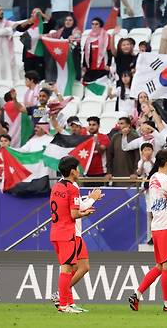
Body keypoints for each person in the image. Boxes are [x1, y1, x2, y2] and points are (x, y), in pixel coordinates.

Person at [129, 151, 167, 313]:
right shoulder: (164, 179)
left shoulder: (156, 177)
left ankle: (137, 294)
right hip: (166, 227)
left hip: (157, 227)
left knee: (160, 266)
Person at [50, 156, 101, 313]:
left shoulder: (57, 186)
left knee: (78, 267)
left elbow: (68, 209)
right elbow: (73, 214)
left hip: (58, 231)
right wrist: (90, 205)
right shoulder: (72, 188)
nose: (79, 171)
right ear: (72, 171)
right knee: (67, 268)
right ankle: (63, 303)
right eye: (77, 168)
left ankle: (68, 302)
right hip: (68, 232)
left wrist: (85, 207)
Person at [106, 117, 140, 183]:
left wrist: (135, 172)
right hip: (116, 173)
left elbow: (137, 157)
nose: (119, 125)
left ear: (128, 125)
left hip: (131, 174)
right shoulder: (115, 137)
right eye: (118, 123)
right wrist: (109, 172)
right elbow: (110, 155)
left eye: (122, 123)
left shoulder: (134, 137)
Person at [82, 17, 112, 83]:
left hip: (102, 67)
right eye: (92, 24)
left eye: (96, 24)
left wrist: (108, 65)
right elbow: (86, 52)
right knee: (86, 84)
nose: (94, 26)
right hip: (90, 67)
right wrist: (84, 65)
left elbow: (109, 52)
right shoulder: (89, 37)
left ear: (100, 25)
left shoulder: (106, 36)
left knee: (100, 87)